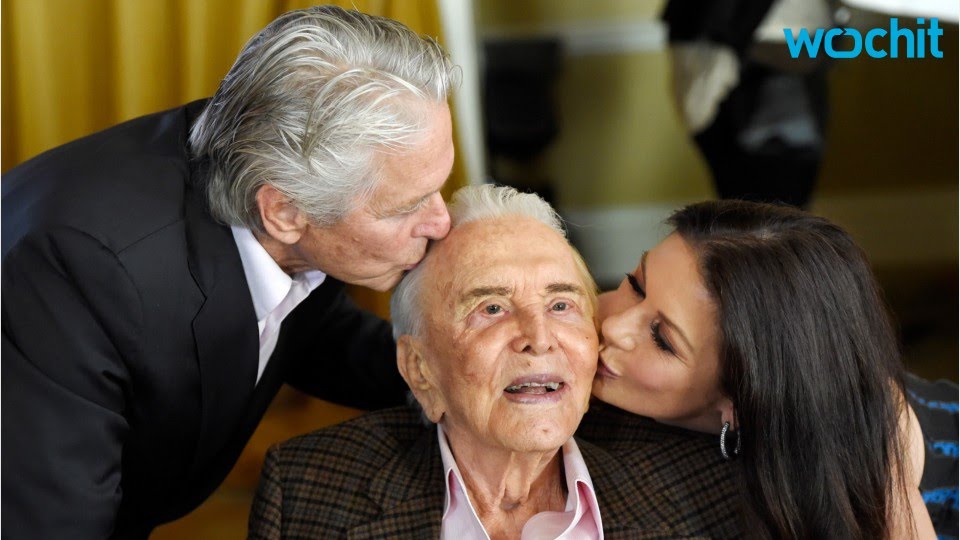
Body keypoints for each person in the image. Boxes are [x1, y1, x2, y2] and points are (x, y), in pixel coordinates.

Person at [1, 6, 456, 538]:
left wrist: (466, 377)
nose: (442, 221)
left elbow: (313, 328)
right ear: (283, 212)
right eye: (407, 205)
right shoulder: (78, 274)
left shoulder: (286, 167)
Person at [248, 185, 743, 539]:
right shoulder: (306, 492)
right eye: (491, 309)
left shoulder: (706, 490)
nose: (538, 338)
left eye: (562, 304)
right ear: (419, 369)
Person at [592, 199, 939, 539]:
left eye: (662, 340)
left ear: (739, 403)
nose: (613, 327)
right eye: (636, 285)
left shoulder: (869, 471)